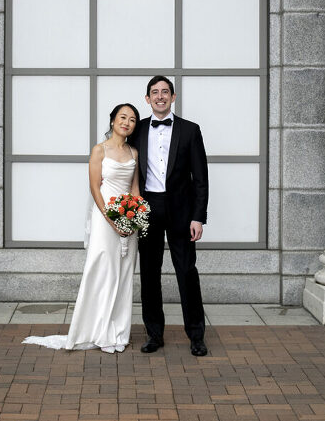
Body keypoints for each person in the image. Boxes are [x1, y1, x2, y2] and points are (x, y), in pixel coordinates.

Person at [23, 103, 140, 353]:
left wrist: (134, 218)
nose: (126, 122)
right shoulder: (99, 150)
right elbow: (95, 187)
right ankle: (95, 330)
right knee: (101, 269)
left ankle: (117, 331)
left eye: (131, 119)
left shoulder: (134, 153)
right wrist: (112, 218)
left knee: (124, 274)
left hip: (128, 220)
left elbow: (135, 189)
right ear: (112, 121)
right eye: (122, 117)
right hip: (104, 216)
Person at [135, 76, 209, 356]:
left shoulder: (190, 130)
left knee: (187, 272)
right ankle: (154, 334)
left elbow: (200, 178)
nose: (160, 96)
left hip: (181, 211)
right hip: (148, 209)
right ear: (147, 99)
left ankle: (196, 336)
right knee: (149, 274)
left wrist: (198, 217)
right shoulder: (138, 130)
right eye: (155, 92)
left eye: (165, 92)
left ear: (173, 97)